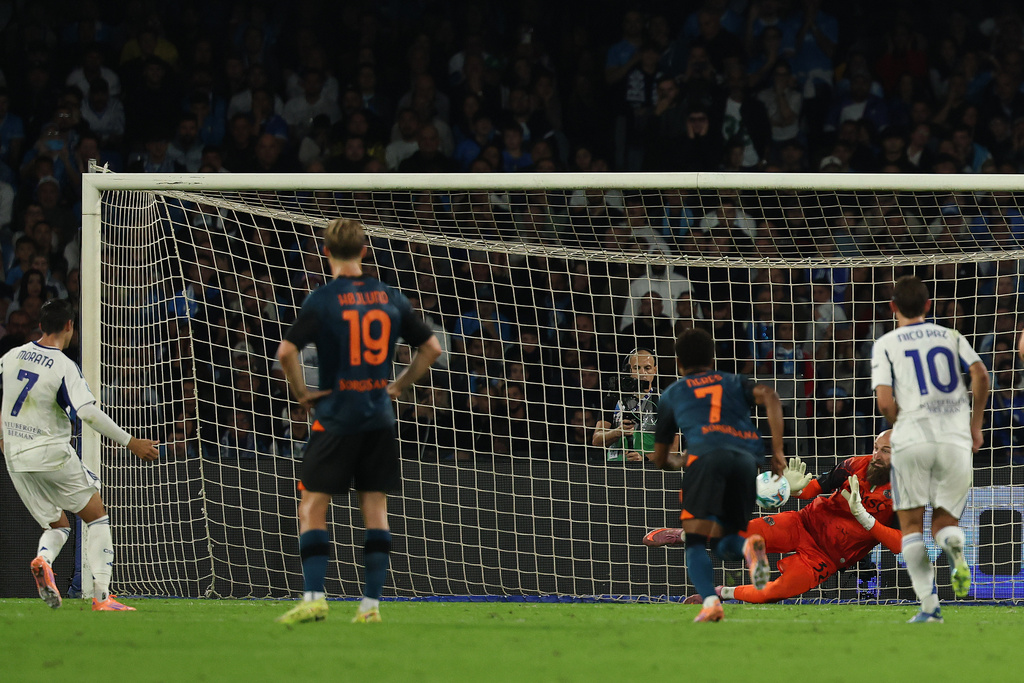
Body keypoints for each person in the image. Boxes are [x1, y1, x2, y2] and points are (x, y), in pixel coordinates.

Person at [275, 218, 442, 625]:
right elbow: (433, 348)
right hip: (379, 418)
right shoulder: (390, 297)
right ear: (365, 251)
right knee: (375, 509)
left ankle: (315, 596)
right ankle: (370, 607)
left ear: (326, 253)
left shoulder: (322, 299)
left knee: (312, 505)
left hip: (335, 417)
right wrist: (399, 385)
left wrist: (301, 394)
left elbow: (285, 353)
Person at [0, 299, 159, 611]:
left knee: (57, 525)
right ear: (70, 326)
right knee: (96, 515)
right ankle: (102, 597)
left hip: (14, 455)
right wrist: (132, 442)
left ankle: (43, 561)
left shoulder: (11, 356)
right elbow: (87, 412)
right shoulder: (62, 366)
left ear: (41, 325)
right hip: (49, 452)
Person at [646, 430, 900, 604]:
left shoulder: (907, 492)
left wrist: (863, 517)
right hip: (803, 523)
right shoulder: (856, 464)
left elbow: (901, 544)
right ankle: (682, 534)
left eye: (885, 451)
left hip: (826, 558)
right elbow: (815, 488)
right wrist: (797, 488)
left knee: (772, 593)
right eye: (876, 448)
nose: (876, 456)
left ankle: (720, 593)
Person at [872, 274, 988, 623]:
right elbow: (981, 374)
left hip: (912, 441)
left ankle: (929, 607)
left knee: (911, 527)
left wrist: (899, 420)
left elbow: (884, 402)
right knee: (945, 522)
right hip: (955, 440)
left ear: (893, 307)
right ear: (928, 306)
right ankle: (954, 545)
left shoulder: (887, 343)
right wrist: (976, 425)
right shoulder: (951, 336)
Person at [649, 327, 786, 622]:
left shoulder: (672, 393)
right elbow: (770, 395)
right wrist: (777, 451)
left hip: (706, 459)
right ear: (712, 359)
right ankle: (750, 546)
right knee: (726, 543)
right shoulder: (732, 381)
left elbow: (660, 457)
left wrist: (676, 462)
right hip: (746, 461)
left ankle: (711, 602)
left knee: (696, 540)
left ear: (678, 362)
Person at [592, 348, 659, 463]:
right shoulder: (613, 398)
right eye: (636, 368)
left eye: (647, 368)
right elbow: (596, 440)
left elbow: (672, 449)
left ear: (655, 370)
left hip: (651, 471)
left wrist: (645, 459)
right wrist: (617, 432)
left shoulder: (662, 399)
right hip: (616, 469)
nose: (642, 373)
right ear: (628, 370)